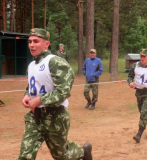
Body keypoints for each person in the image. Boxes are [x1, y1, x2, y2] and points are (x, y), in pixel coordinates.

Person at [17, 28, 92, 160]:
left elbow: (64, 91)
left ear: (46, 44)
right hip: (35, 117)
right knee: (25, 155)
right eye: (29, 42)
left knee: (61, 155)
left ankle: (83, 152)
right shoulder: (31, 65)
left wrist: (40, 100)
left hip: (55, 117)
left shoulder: (55, 62)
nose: (31, 45)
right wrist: (27, 95)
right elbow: (32, 86)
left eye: (36, 41)